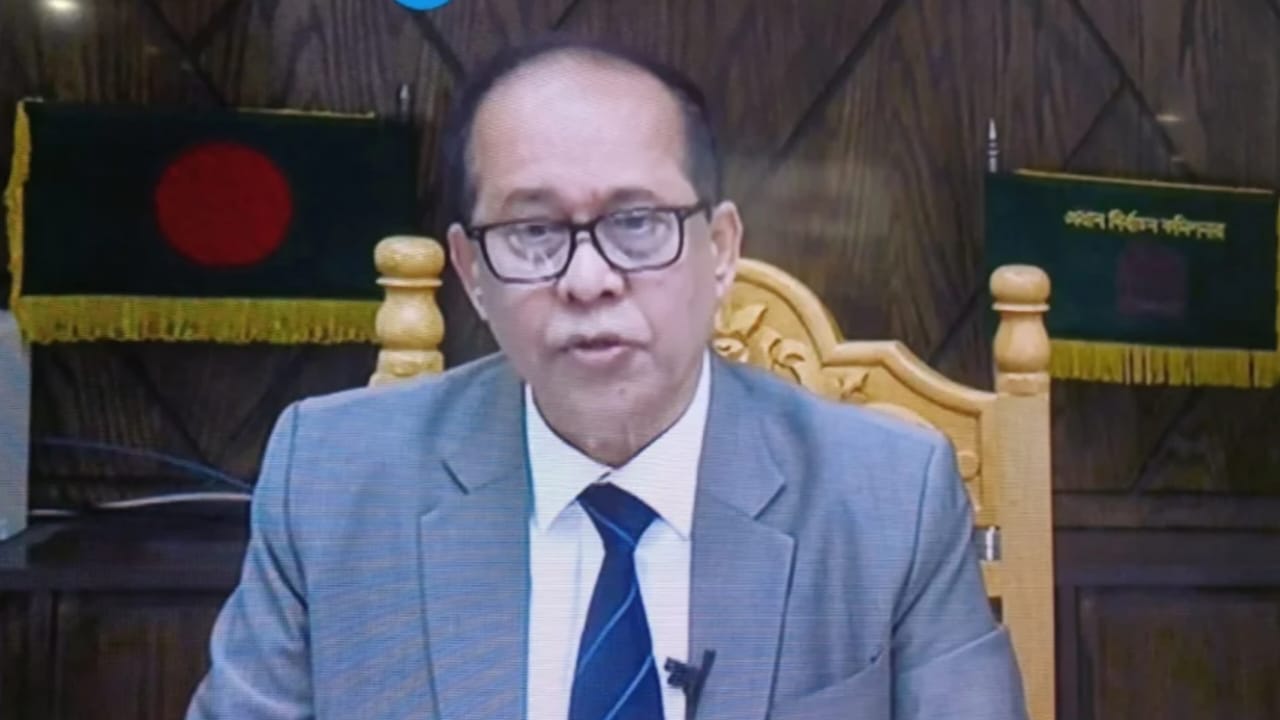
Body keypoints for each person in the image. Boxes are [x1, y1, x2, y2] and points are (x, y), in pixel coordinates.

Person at [186, 36, 1028, 720]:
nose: (588, 281)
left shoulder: (890, 499)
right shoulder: (330, 480)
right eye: (534, 233)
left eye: (637, 223)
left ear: (721, 250)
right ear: (471, 273)